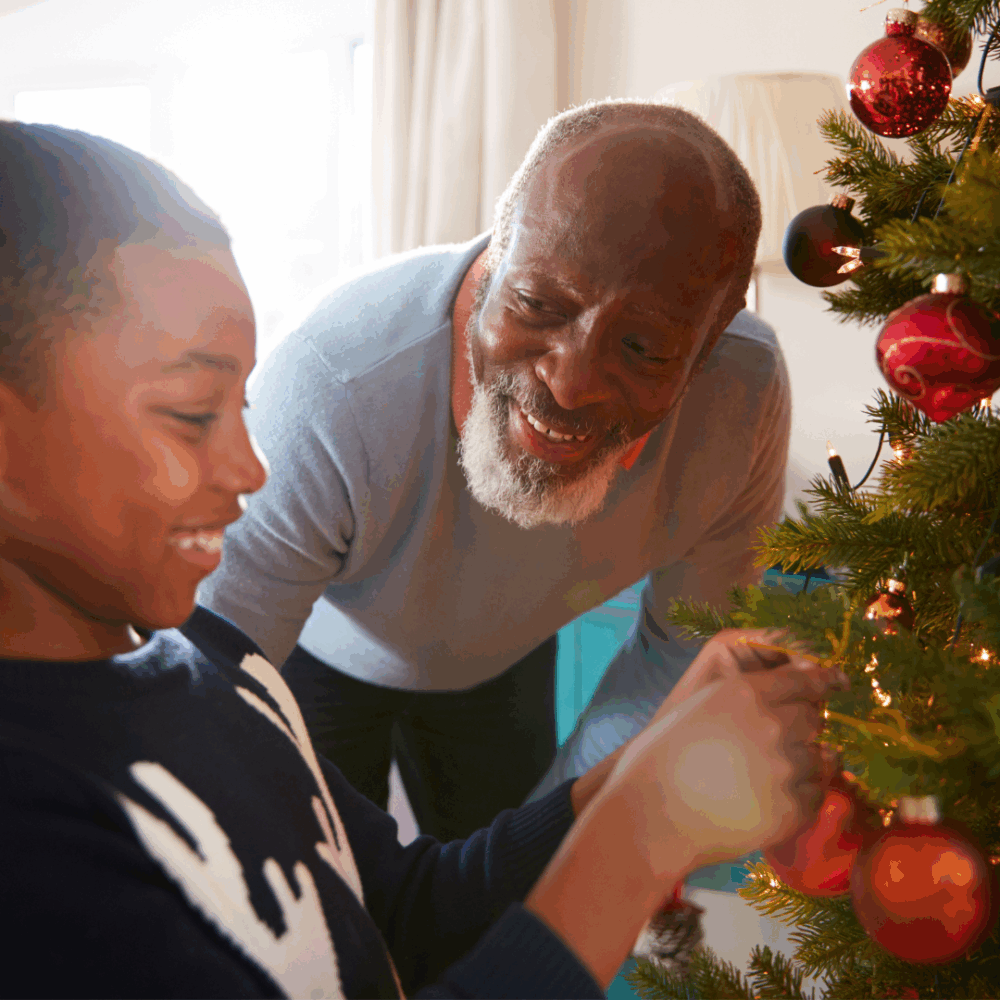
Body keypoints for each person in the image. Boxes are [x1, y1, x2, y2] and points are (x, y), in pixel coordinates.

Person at [0, 122, 838, 999]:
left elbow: (411, 901)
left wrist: (641, 770)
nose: (252, 471)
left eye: (238, 405)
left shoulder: (221, 676)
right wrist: (642, 832)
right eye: (187, 413)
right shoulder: (36, 825)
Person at [198, 98, 792, 839]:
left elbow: (685, 647)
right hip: (308, 654)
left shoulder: (746, 394)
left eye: (642, 349)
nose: (572, 384)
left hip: (502, 663)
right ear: (488, 264)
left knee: (499, 908)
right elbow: (203, 678)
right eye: (538, 303)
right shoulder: (331, 388)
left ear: (707, 352)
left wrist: (551, 842)